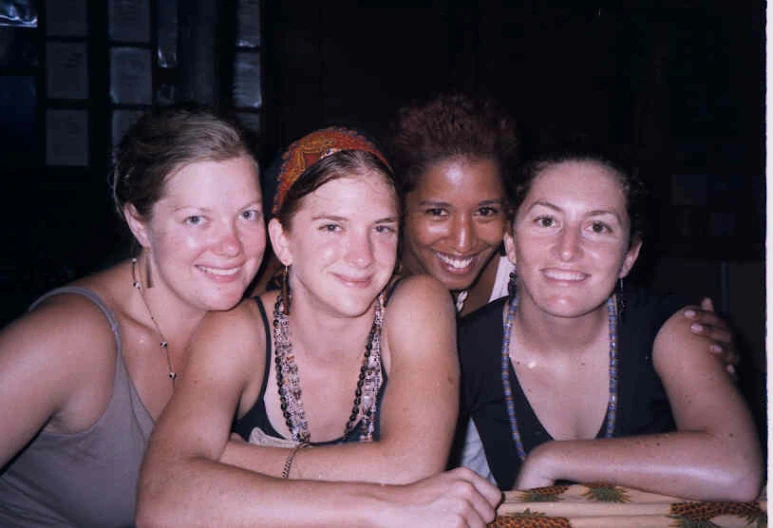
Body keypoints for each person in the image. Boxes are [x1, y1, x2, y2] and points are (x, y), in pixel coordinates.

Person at [137, 127, 502, 527]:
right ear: (283, 241)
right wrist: (382, 507)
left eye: (381, 228)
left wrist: (242, 458)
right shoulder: (237, 331)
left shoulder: (418, 304)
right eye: (332, 227)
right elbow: (162, 501)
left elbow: (412, 469)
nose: (362, 256)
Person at [387, 92, 740, 478]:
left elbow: (731, 457)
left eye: (486, 211)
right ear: (399, 210)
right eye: (437, 211)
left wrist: (694, 353)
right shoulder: (364, 288)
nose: (462, 240)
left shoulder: (540, 273)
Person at [0, 105, 267, 526]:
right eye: (196, 219)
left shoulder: (241, 318)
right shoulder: (68, 337)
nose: (232, 246)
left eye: (247, 215)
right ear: (138, 225)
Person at [458, 148, 763, 501]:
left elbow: (736, 471)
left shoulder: (670, 328)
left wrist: (552, 459)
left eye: (598, 226)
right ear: (511, 240)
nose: (568, 249)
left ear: (628, 257)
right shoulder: (465, 348)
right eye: (546, 221)